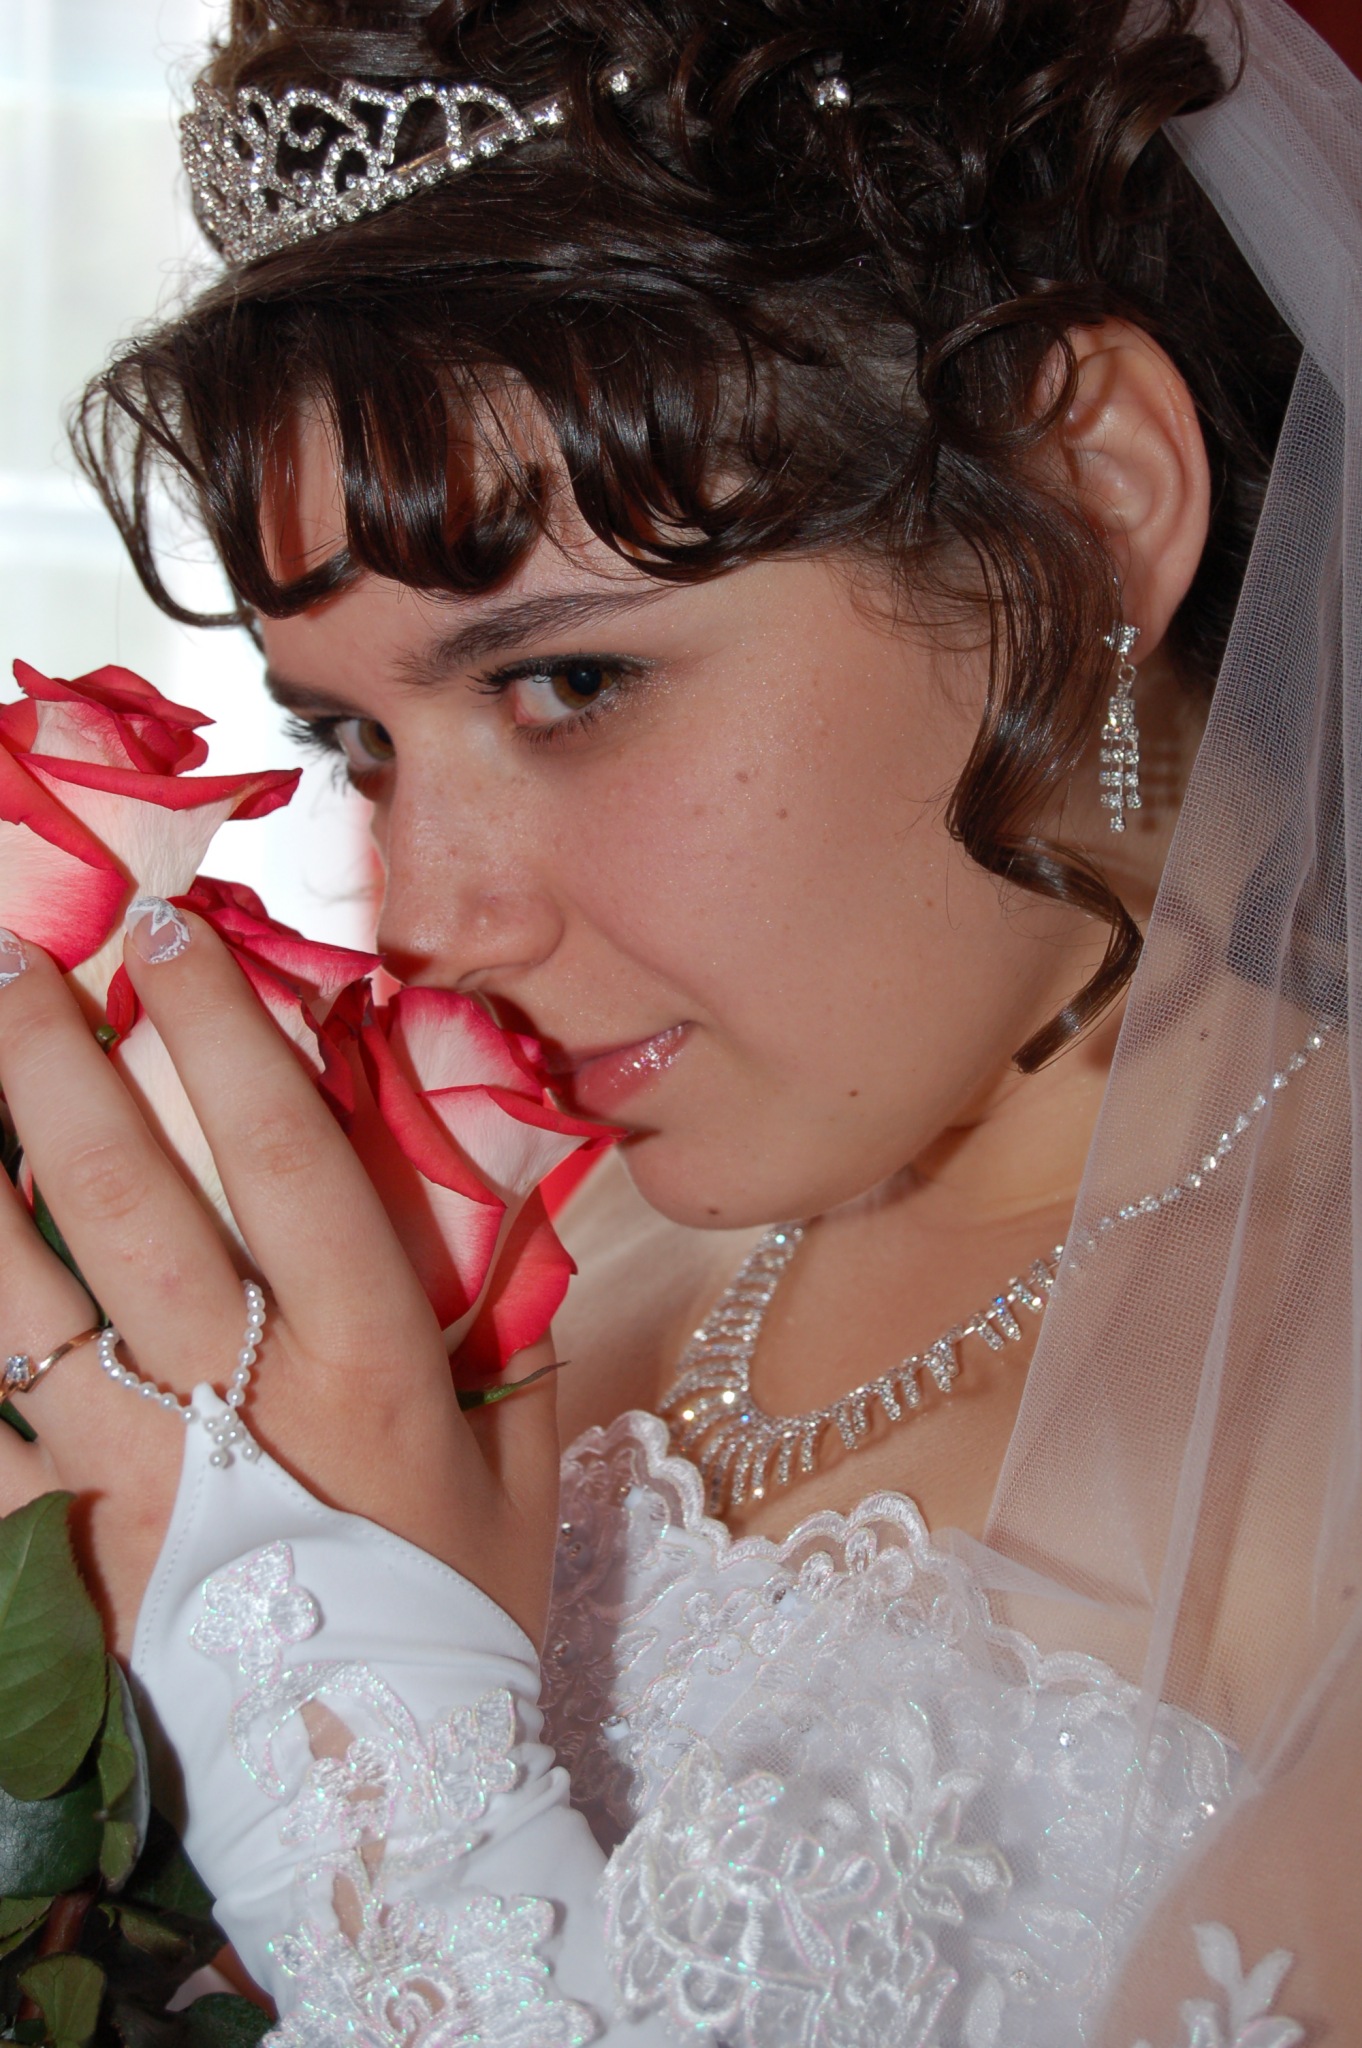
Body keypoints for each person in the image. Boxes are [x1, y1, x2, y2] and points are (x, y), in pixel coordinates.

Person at [0, 0, 1358, 2038]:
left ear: (1087, 501)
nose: (426, 921)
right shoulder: (500, 1267)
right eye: (354, 739)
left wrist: (348, 1755)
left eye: (568, 683)